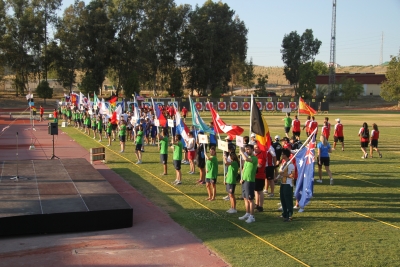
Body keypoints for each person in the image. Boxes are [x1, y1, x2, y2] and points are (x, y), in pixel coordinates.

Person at [238, 144, 258, 223]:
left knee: (250, 199)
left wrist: (242, 152)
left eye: (248, 149)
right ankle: (247, 213)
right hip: (245, 180)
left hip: (250, 181)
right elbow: (243, 169)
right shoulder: (248, 158)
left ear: (252, 149)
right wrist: (241, 178)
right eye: (246, 149)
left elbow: (246, 159)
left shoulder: (254, 158)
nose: (247, 151)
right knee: (245, 198)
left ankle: (252, 216)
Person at [277, 149, 295, 222]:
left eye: (282, 154)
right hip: (283, 183)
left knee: (288, 199)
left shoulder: (290, 164)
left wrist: (283, 174)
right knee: (283, 199)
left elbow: (292, 175)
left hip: (288, 184)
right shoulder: (284, 163)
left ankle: (289, 214)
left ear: (285, 155)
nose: (281, 155)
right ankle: (284, 213)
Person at [253, 144, 266, 212]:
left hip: (260, 176)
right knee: (256, 190)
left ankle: (260, 206)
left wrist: (252, 163)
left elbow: (260, 165)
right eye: (254, 148)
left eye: (257, 147)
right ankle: (256, 204)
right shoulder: (255, 155)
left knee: (260, 191)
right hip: (255, 176)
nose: (255, 149)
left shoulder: (261, 155)